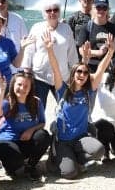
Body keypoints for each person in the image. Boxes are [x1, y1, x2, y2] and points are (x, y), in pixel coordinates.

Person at [45, 33, 109, 179]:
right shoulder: (63, 90)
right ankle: (55, 158)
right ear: (73, 74)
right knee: (70, 173)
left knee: (99, 150)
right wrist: (50, 49)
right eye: (79, 72)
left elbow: (101, 70)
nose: (82, 74)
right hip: (63, 140)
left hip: (80, 139)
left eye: (85, 73)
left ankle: (78, 159)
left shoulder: (89, 92)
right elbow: (55, 69)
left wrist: (110, 52)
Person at [0, 68, 50, 180]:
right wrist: (1, 89)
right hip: (8, 141)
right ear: (13, 85)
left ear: (30, 89)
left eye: (26, 86)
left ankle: (30, 166)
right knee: (14, 159)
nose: (22, 88)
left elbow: (42, 123)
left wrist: (30, 130)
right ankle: (13, 167)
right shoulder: (8, 102)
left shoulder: (36, 102)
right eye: (19, 84)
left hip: (25, 140)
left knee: (43, 135)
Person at [23, 0, 78, 104]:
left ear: (59, 12)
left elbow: (72, 53)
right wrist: (26, 72)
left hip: (61, 76)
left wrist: (74, 73)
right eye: (48, 10)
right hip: (39, 76)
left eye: (55, 10)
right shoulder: (36, 28)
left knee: (64, 106)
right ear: (44, 13)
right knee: (38, 107)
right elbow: (29, 51)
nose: (52, 12)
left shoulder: (66, 29)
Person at [75, 0, 115, 72]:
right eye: (98, 7)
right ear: (93, 9)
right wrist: (99, 53)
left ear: (108, 10)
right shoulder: (86, 27)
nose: (101, 10)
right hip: (89, 69)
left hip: (108, 69)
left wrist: (111, 49)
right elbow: (81, 51)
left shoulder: (114, 28)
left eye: (104, 8)